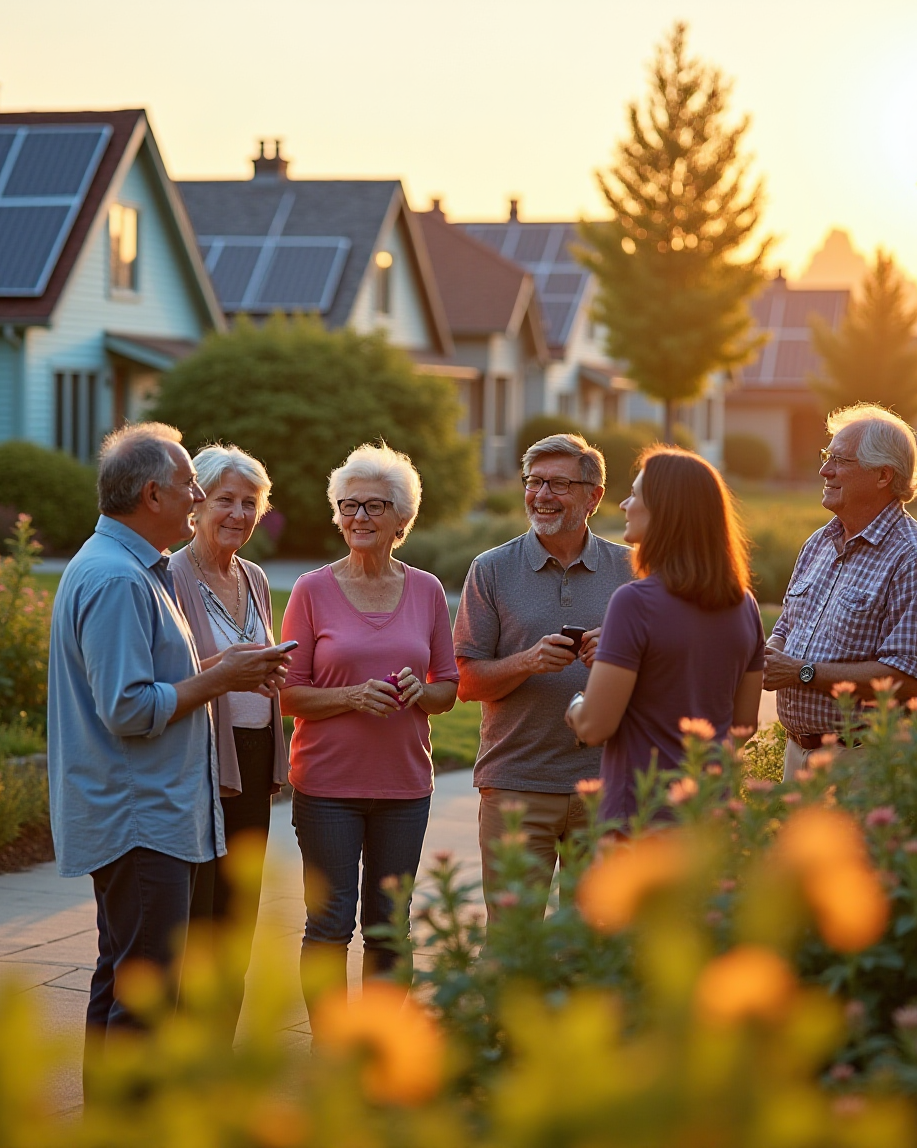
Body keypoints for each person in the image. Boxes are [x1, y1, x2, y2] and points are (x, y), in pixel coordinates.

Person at [48, 422, 291, 1071]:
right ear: (153, 494)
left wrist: (229, 668)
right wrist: (221, 677)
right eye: (192, 488)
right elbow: (128, 708)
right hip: (140, 817)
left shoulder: (131, 569)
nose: (197, 501)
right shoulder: (120, 579)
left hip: (156, 813)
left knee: (128, 982)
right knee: (147, 995)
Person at [279, 442, 459, 1015]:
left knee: (389, 927)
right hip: (327, 786)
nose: (358, 516)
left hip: (405, 787)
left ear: (401, 519)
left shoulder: (428, 589)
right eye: (348, 505)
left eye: (374, 505)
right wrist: (353, 696)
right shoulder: (311, 589)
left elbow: (448, 688)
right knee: (329, 924)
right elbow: (287, 693)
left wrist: (419, 693)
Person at [454, 433, 633, 906]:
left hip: (605, 785)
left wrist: (615, 660)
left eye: (558, 484)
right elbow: (466, 682)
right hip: (517, 784)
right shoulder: (490, 569)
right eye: (533, 482)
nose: (541, 495)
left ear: (593, 496)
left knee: (596, 940)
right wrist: (527, 662)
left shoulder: (632, 570)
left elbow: (664, 675)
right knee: (513, 944)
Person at [565, 445, 764, 825]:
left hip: (641, 819)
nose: (624, 504)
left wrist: (577, 703)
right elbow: (744, 726)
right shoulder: (744, 605)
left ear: (665, 513)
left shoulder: (634, 602)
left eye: (636, 495)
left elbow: (594, 726)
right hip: (710, 816)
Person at [763, 404, 917, 776]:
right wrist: (772, 655)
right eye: (826, 456)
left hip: (866, 761)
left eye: (840, 460)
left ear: (883, 475)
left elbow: (906, 678)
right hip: (798, 757)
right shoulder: (820, 542)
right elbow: (788, 626)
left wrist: (801, 672)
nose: (825, 470)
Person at [168, 443, 284, 1040]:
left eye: (249, 502)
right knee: (199, 916)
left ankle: (219, 1049)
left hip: (254, 757)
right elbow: (172, 675)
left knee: (239, 914)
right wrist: (233, 664)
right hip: (202, 761)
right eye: (224, 501)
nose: (238, 513)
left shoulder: (255, 577)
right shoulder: (170, 575)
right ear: (195, 504)